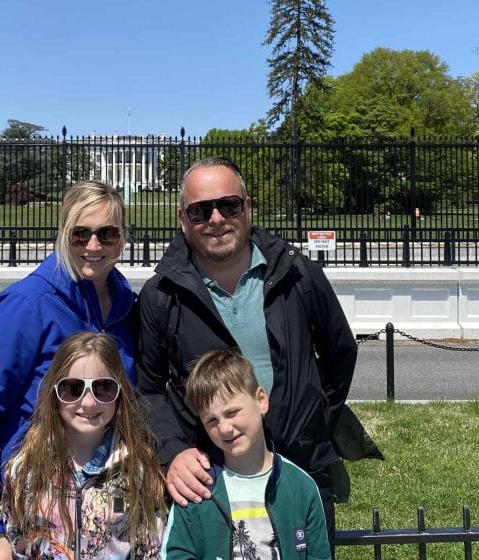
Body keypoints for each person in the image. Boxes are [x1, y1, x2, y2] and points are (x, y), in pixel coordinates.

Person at [136, 157, 381, 533]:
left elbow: (340, 352)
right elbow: (148, 389)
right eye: (201, 211)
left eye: (228, 205)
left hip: (300, 466)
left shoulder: (299, 274)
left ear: (247, 207)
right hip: (210, 477)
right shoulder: (160, 295)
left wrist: (312, 419)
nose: (216, 219)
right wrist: (174, 451)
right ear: (182, 220)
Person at [0, 182, 137, 560]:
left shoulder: (126, 307)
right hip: (19, 516)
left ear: (123, 239)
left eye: (108, 233)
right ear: (62, 233)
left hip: (97, 522)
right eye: (80, 233)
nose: (94, 245)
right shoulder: (26, 305)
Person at [0, 331, 167, 560]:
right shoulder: (26, 468)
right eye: (73, 388)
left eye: (103, 388)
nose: (88, 402)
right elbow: (17, 544)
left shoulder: (138, 469)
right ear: (55, 394)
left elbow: (150, 550)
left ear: (119, 394)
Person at [162, 348, 330, 560]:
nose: (224, 428)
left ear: (261, 400)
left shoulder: (301, 487)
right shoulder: (197, 488)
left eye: (232, 412)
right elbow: (176, 554)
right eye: (212, 420)